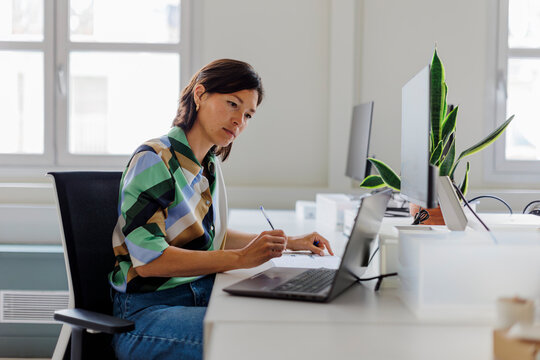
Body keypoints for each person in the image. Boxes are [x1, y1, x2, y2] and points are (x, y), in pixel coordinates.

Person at [108, 59, 334, 360]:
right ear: (200, 95)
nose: (239, 120)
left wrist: (289, 242)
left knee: (287, 320)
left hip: (199, 295)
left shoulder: (207, 165)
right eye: (232, 104)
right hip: (147, 313)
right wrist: (240, 259)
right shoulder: (155, 158)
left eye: (248, 114)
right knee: (258, 340)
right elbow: (150, 260)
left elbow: (209, 238)